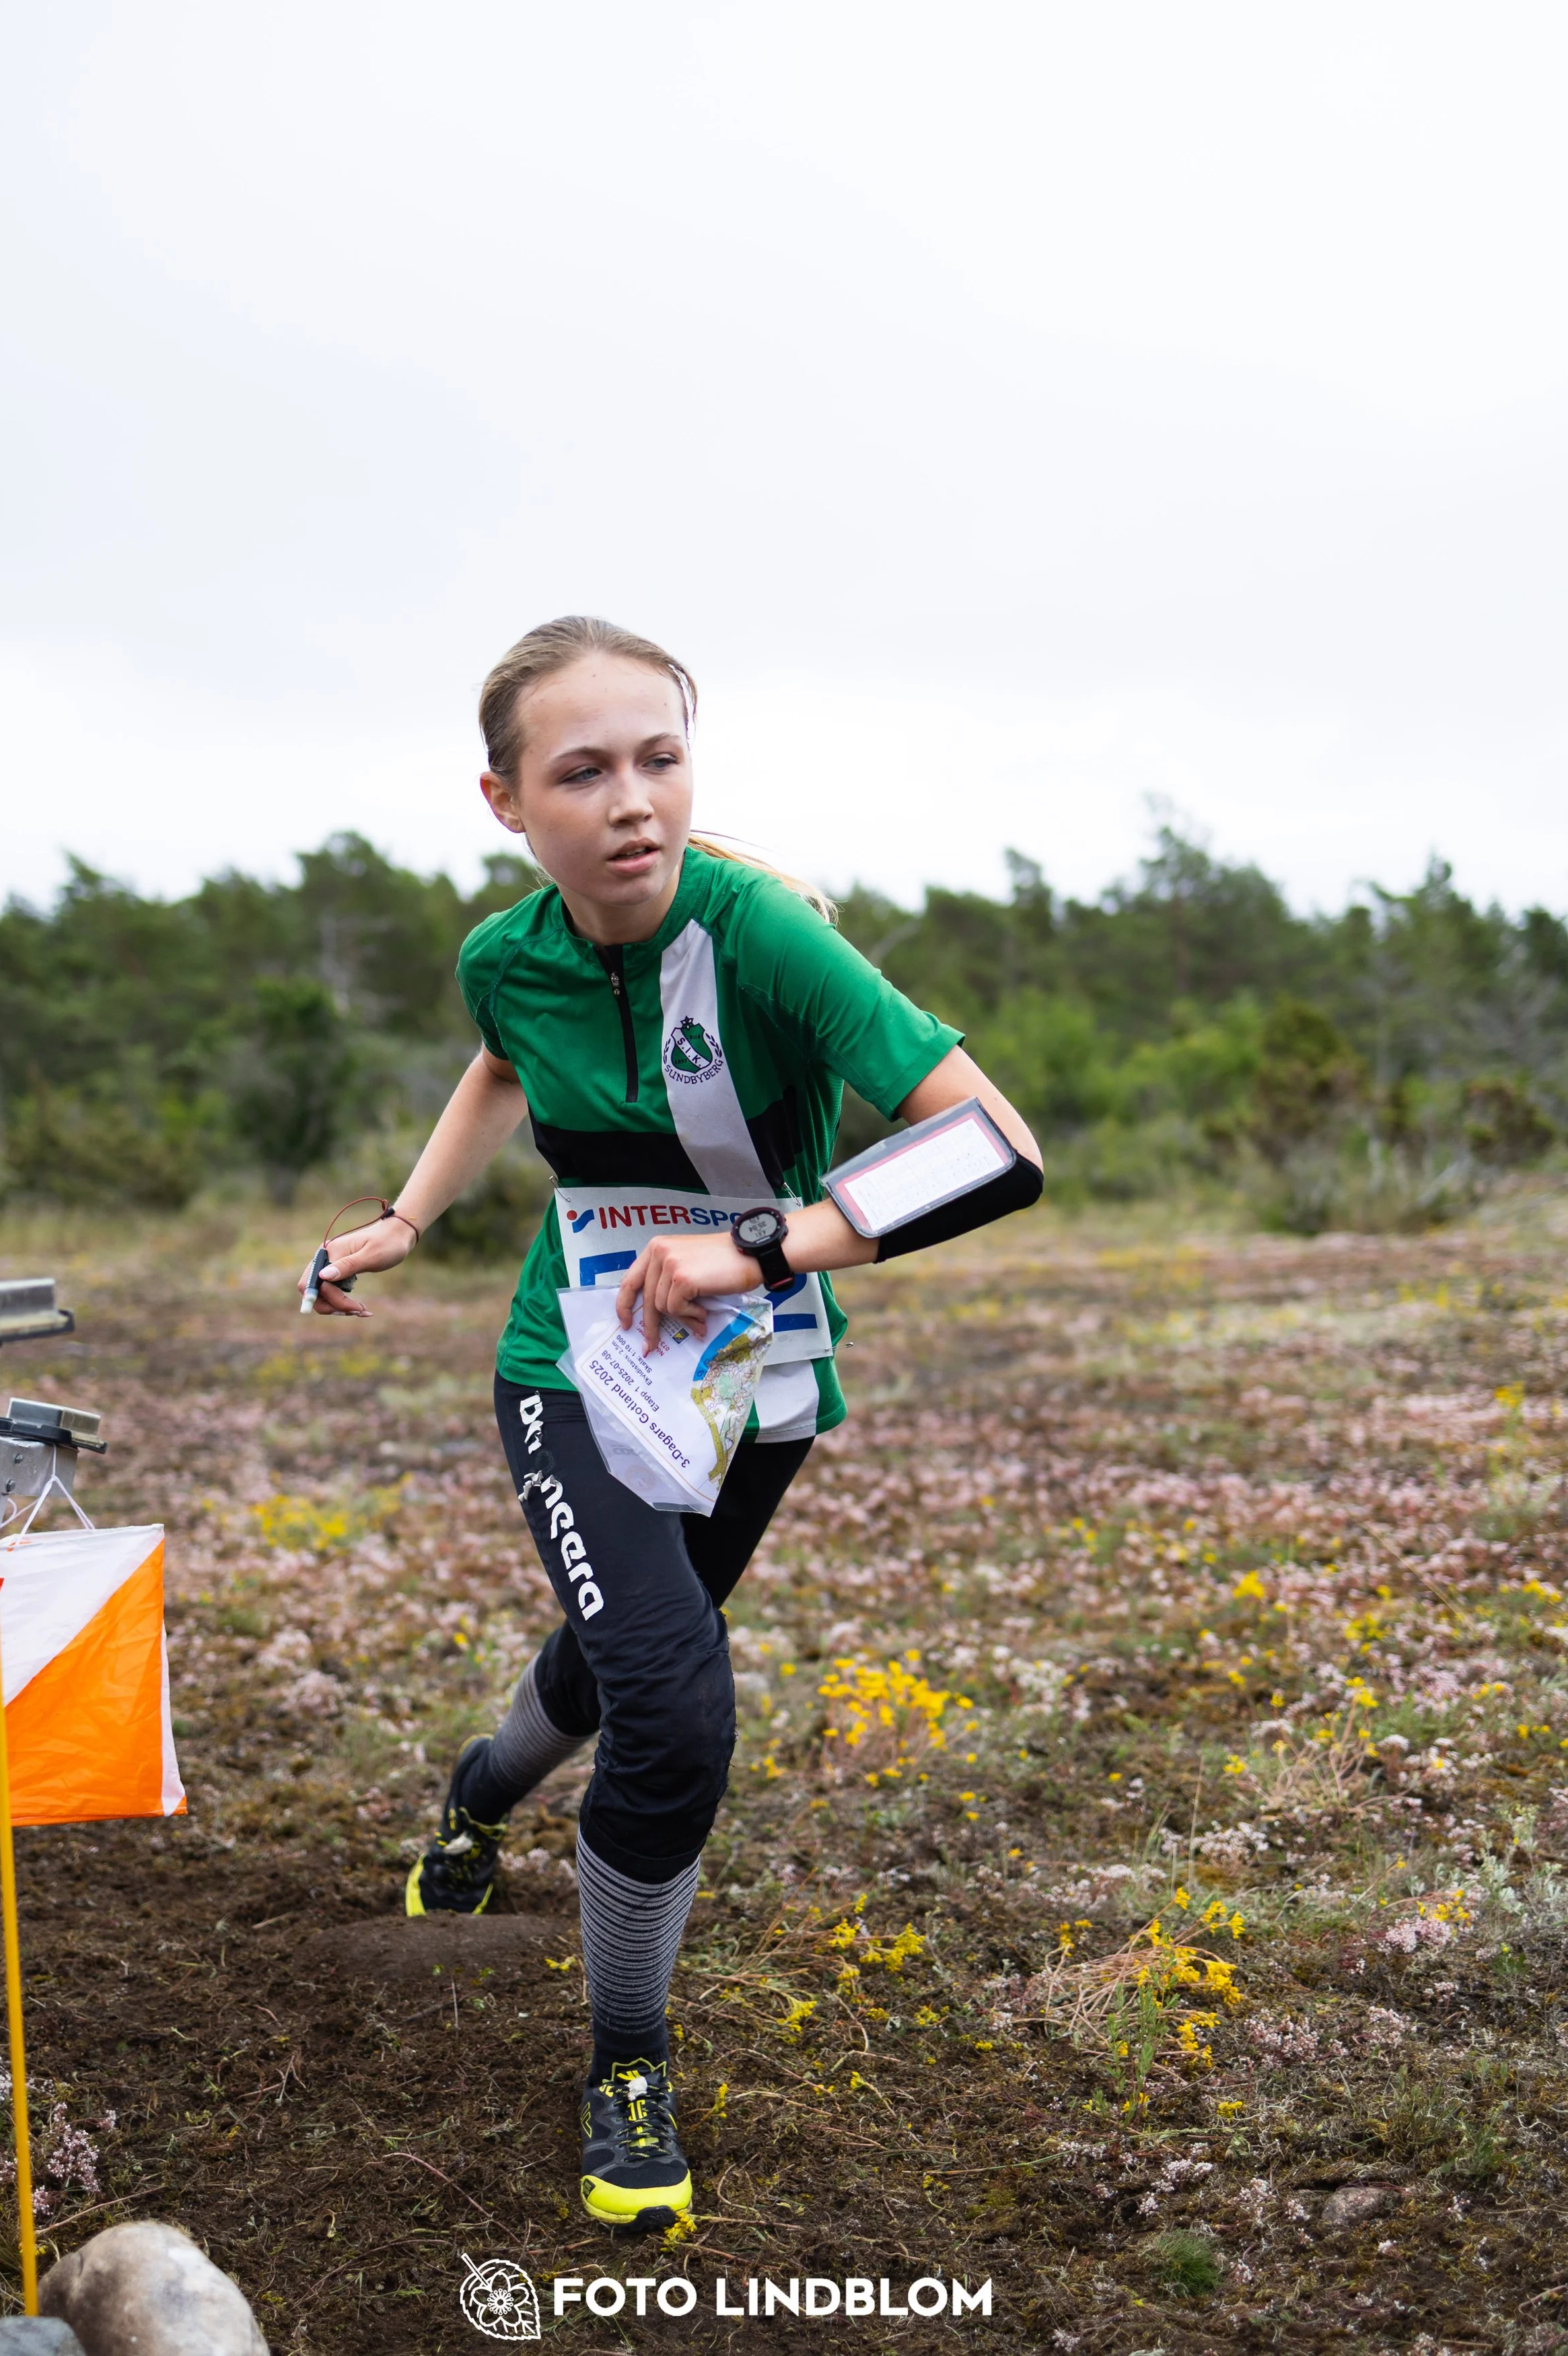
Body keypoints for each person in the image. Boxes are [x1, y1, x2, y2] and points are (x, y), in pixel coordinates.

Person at [298, 617, 1043, 2229]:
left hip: (755, 1376)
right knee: (672, 1698)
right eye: (583, 771)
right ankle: (624, 2055)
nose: (634, 801)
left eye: (660, 757)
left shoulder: (763, 935)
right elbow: (501, 1065)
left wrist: (762, 1243)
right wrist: (407, 1219)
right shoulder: (505, 952)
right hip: (569, 1363)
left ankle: (476, 1797)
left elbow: (993, 1146)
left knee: (624, 1642)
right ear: (505, 801)